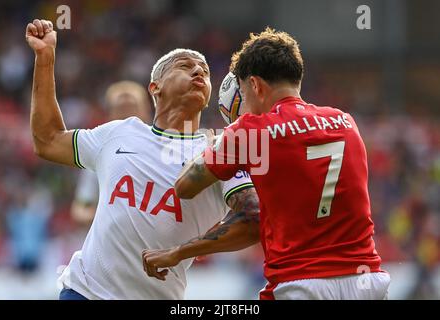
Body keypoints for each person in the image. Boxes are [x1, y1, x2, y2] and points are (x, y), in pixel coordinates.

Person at [144, 27, 391, 300]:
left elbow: (185, 186)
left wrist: (221, 139)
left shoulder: (250, 131)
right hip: (368, 280)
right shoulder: (345, 122)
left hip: (302, 284)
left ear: (255, 85)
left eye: (244, 95)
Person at [25, 19, 259, 300]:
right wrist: (45, 59)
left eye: (205, 72)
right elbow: (48, 140)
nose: (198, 71)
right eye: (185, 66)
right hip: (84, 292)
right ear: (155, 87)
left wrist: (180, 253)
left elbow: (252, 221)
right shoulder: (119, 132)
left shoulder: (220, 150)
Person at [71, 81, 153, 226]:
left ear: (146, 110)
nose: (127, 116)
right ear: (110, 115)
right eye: (121, 109)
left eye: (132, 108)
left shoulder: (162, 147)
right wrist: (112, 216)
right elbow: (81, 209)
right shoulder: (98, 154)